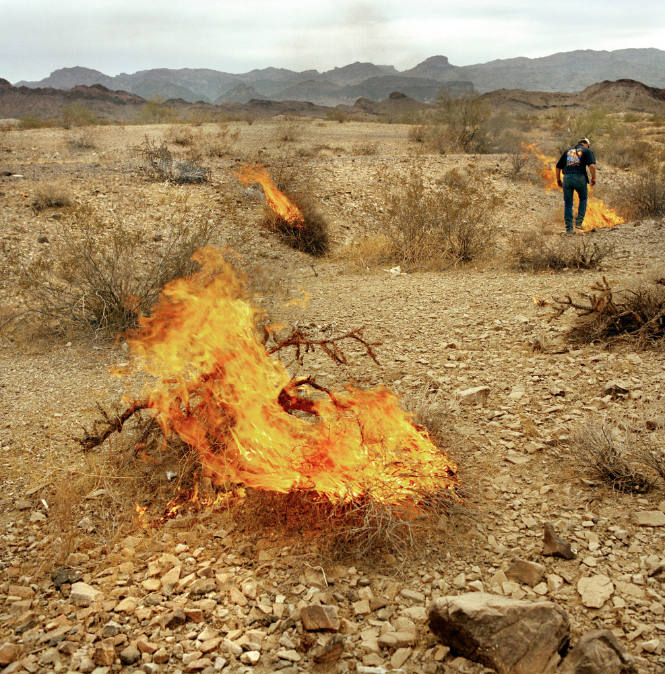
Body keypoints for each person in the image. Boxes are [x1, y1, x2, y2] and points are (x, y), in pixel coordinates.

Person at [555, 138, 596, 233]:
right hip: (580, 178)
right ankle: (578, 222)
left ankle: (569, 229)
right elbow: (592, 166)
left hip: (567, 178)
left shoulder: (567, 151)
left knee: (568, 203)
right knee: (583, 199)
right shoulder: (587, 150)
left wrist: (558, 180)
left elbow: (558, 166)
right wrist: (594, 178)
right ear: (586, 144)